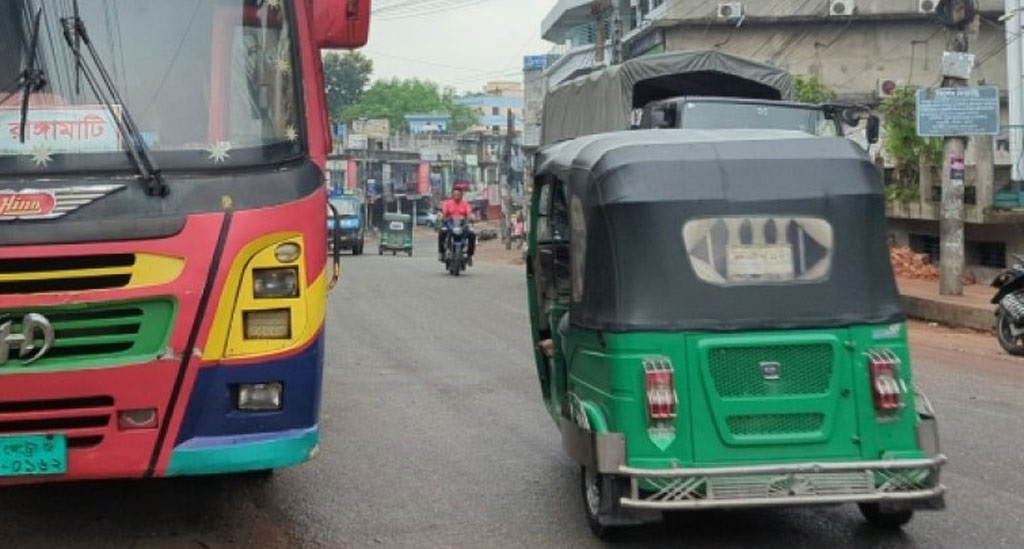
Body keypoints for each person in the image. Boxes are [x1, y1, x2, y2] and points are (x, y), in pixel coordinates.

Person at [437, 187, 477, 264]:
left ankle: (469, 255)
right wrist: (441, 216)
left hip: (462, 225)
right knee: (441, 232)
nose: (456, 196)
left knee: (472, 234)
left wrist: (471, 217)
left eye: (458, 194)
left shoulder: (465, 204)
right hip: (450, 224)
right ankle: (441, 253)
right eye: (455, 194)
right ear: (452, 195)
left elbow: (469, 213)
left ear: (461, 195)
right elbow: (443, 213)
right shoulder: (447, 203)